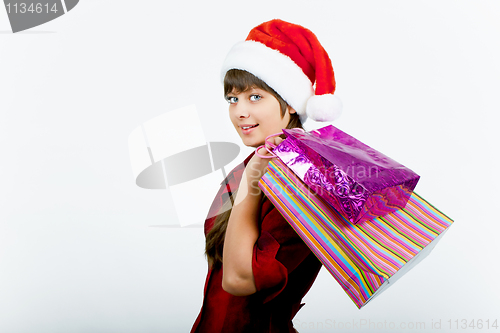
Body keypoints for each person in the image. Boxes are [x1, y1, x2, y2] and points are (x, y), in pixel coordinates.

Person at [191, 19, 342, 333]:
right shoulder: (254, 162)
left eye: (254, 97)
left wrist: (251, 183)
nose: (240, 112)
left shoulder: (303, 182)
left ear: (288, 106)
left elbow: (238, 279)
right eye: (232, 99)